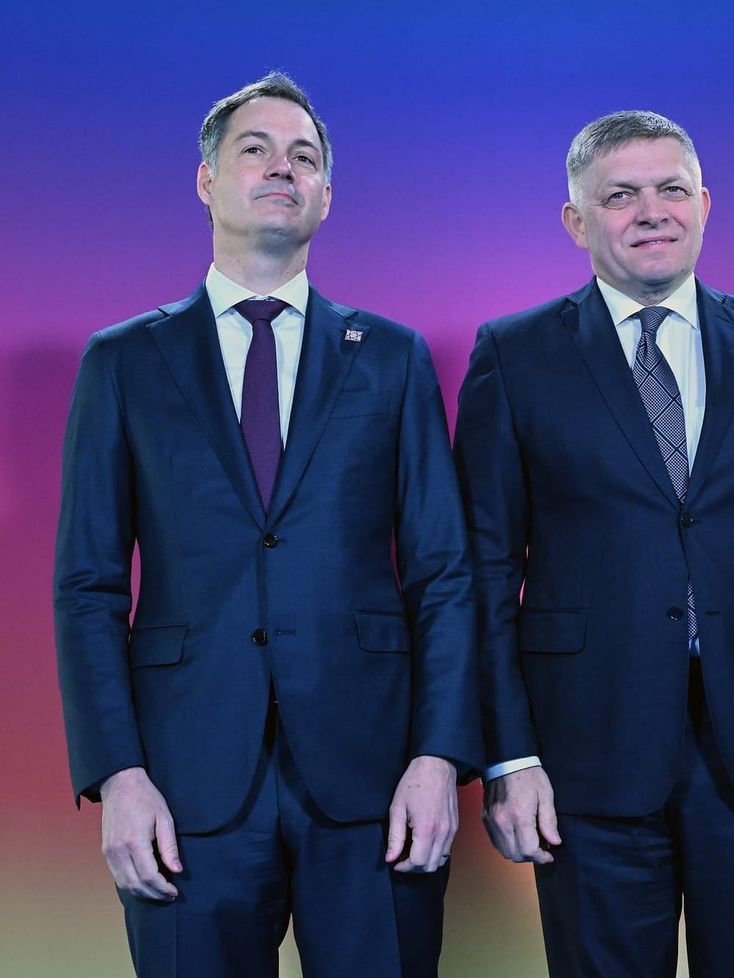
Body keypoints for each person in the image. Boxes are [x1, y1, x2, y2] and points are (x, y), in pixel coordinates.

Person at [53, 72, 479, 978]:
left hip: (373, 785)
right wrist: (117, 776)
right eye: (256, 149)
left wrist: (439, 756)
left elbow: (443, 572)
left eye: (305, 156)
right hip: (180, 784)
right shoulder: (123, 362)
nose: (282, 168)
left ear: (327, 193)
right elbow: (87, 587)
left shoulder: (393, 358)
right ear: (207, 181)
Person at [453, 110, 734, 978]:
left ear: (705, 205)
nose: (652, 211)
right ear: (576, 221)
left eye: (672, 189)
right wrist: (510, 754)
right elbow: (484, 576)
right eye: (621, 196)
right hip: (583, 756)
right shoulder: (513, 355)